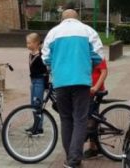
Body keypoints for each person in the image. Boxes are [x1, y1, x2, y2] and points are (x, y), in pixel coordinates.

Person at [42, 9, 103, 168]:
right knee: (80, 119)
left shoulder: (53, 33)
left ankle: (71, 157)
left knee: (66, 119)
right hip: (81, 81)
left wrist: (57, 64)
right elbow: (98, 56)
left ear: (62, 19)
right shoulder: (88, 31)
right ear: (78, 18)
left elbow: (46, 58)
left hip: (61, 82)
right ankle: (74, 159)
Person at [83, 57, 108, 159]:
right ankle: (93, 148)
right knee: (91, 118)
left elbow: (104, 72)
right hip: (85, 91)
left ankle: (93, 148)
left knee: (90, 120)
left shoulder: (98, 55)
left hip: (94, 92)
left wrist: (96, 87)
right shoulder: (83, 54)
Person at [27, 32, 48, 133]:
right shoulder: (31, 54)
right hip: (34, 81)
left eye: (29, 43)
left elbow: (46, 69)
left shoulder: (41, 55)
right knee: (33, 104)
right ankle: (35, 124)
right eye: (27, 43)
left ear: (36, 43)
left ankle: (39, 127)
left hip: (39, 81)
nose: (28, 45)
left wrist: (46, 82)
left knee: (37, 104)